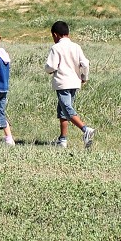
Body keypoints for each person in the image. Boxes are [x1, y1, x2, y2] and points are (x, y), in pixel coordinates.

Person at [44, 20, 94, 148]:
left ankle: (85, 129)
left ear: (55, 35)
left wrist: (49, 70)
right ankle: (63, 139)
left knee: (66, 108)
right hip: (74, 82)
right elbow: (85, 63)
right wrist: (84, 76)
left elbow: (51, 66)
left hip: (62, 82)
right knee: (62, 110)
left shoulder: (56, 48)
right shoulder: (76, 47)